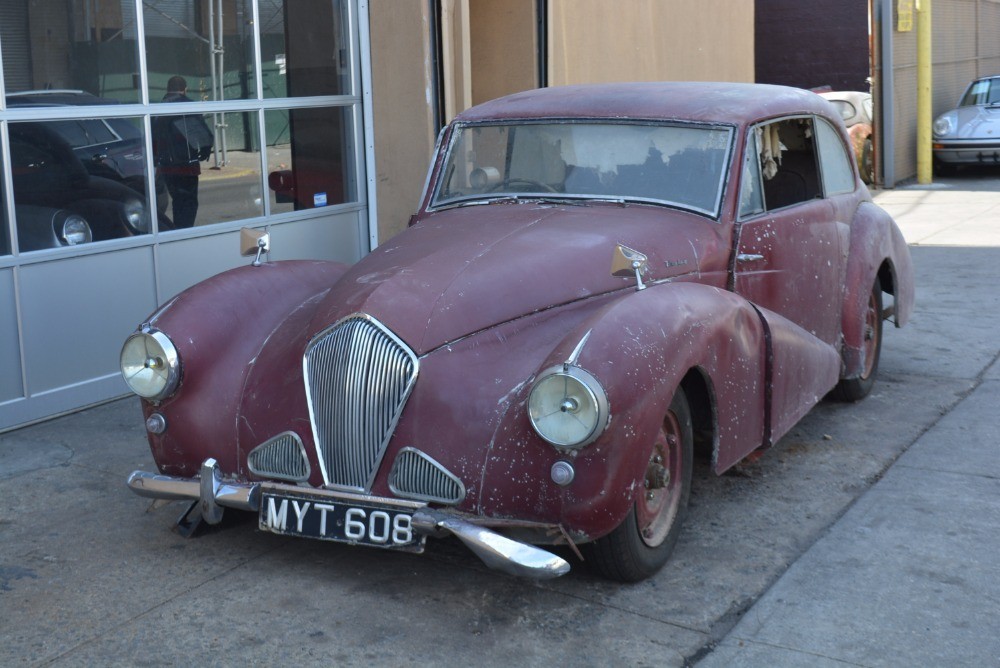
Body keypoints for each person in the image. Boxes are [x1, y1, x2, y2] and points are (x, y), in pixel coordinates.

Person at [153, 76, 213, 228]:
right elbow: (203, 133)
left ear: (168, 89)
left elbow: (152, 138)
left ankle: (177, 231)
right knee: (188, 203)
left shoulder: (157, 109)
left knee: (177, 201)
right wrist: (205, 150)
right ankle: (183, 234)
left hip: (165, 165)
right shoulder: (188, 105)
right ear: (185, 89)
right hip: (186, 164)